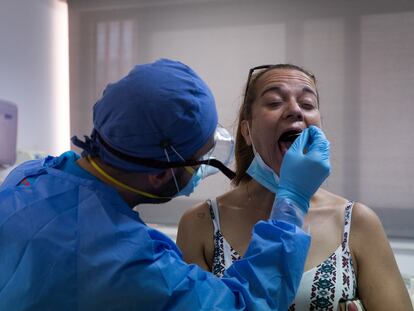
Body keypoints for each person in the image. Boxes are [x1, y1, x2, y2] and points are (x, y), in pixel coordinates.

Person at [0, 59, 331, 310]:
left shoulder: (30, 176)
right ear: (159, 175)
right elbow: (244, 303)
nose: (294, 112)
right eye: (201, 160)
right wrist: (292, 200)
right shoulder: (132, 263)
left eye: (307, 102)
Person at [177, 64, 413, 310]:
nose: (295, 110)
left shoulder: (357, 222)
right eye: (274, 102)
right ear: (247, 131)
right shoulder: (201, 223)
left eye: (308, 104)